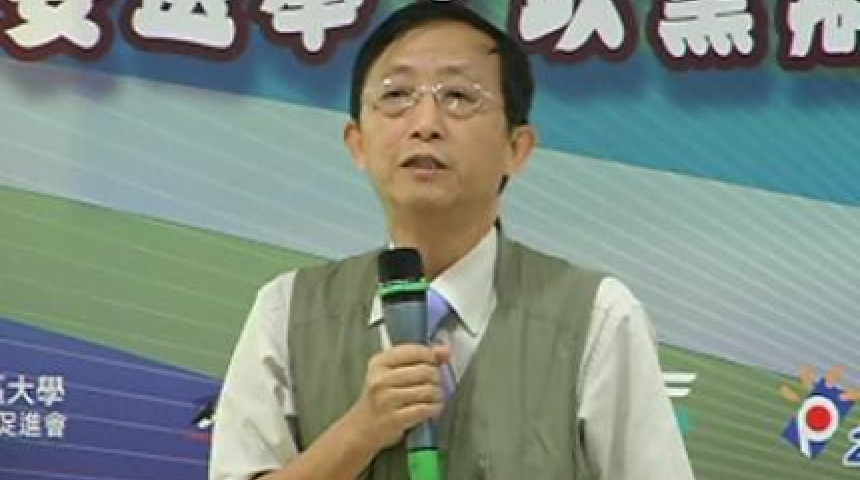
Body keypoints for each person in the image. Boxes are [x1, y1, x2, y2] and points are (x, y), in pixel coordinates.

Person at [209, 3, 695, 480]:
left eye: (459, 97)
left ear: (516, 148)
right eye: (397, 95)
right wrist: (359, 432)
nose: (425, 124)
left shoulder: (597, 317)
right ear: (358, 143)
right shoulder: (287, 311)